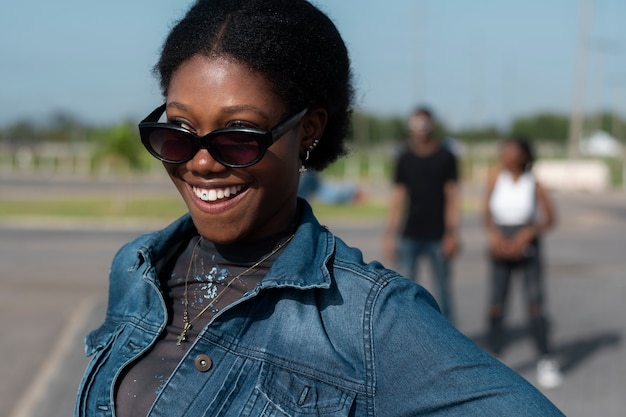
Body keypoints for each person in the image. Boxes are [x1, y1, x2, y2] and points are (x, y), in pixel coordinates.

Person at [75, 1, 564, 415]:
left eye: (239, 136)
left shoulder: (368, 318)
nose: (201, 163)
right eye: (177, 132)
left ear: (307, 129)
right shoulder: (137, 267)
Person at [484, 137, 563, 389]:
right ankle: (495, 356)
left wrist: (527, 233)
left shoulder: (533, 183)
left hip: (527, 244)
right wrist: (495, 236)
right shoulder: (496, 178)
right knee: (497, 303)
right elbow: (486, 213)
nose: (505, 154)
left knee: (534, 303)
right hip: (501, 244)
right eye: (503, 149)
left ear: (524, 155)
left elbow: (550, 218)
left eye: (511, 150)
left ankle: (546, 359)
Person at [383, 107, 460, 322]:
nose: (419, 130)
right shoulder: (404, 158)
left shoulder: (446, 157)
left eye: (423, 124)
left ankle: (449, 343)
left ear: (432, 125)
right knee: (406, 291)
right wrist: (390, 235)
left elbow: (453, 197)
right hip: (410, 233)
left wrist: (452, 233)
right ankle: (409, 338)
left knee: (444, 291)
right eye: (415, 125)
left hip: (439, 234)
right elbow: (398, 199)